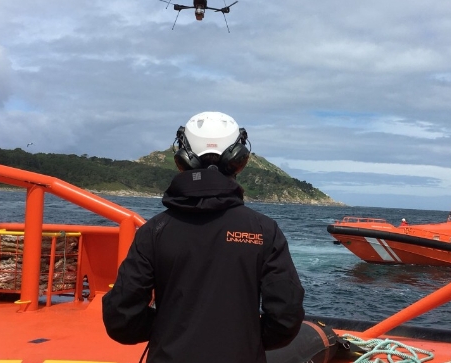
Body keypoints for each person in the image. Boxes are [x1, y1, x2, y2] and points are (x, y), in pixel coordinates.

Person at [102, 111, 305, 363]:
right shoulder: (264, 229)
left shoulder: (153, 231)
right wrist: (247, 337)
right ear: (238, 161)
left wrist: (168, 328)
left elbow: (121, 319)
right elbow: (286, 315)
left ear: (183, 161)